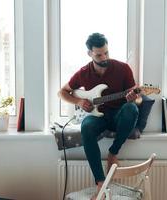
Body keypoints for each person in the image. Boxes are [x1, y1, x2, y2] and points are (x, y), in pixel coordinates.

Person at [58, 33, 139, 199]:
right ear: (90, 54)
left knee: (132, 109)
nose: (104, 57)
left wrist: (134, 98)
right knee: (86, 126)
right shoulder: (83, 73)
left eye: (106, 52)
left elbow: (137, 98)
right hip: (97, 117)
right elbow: (62, 92)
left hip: (119, 115)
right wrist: (80, 102)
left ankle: (113, 153)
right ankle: (100, 183)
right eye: (99, 54)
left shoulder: (123, 68)